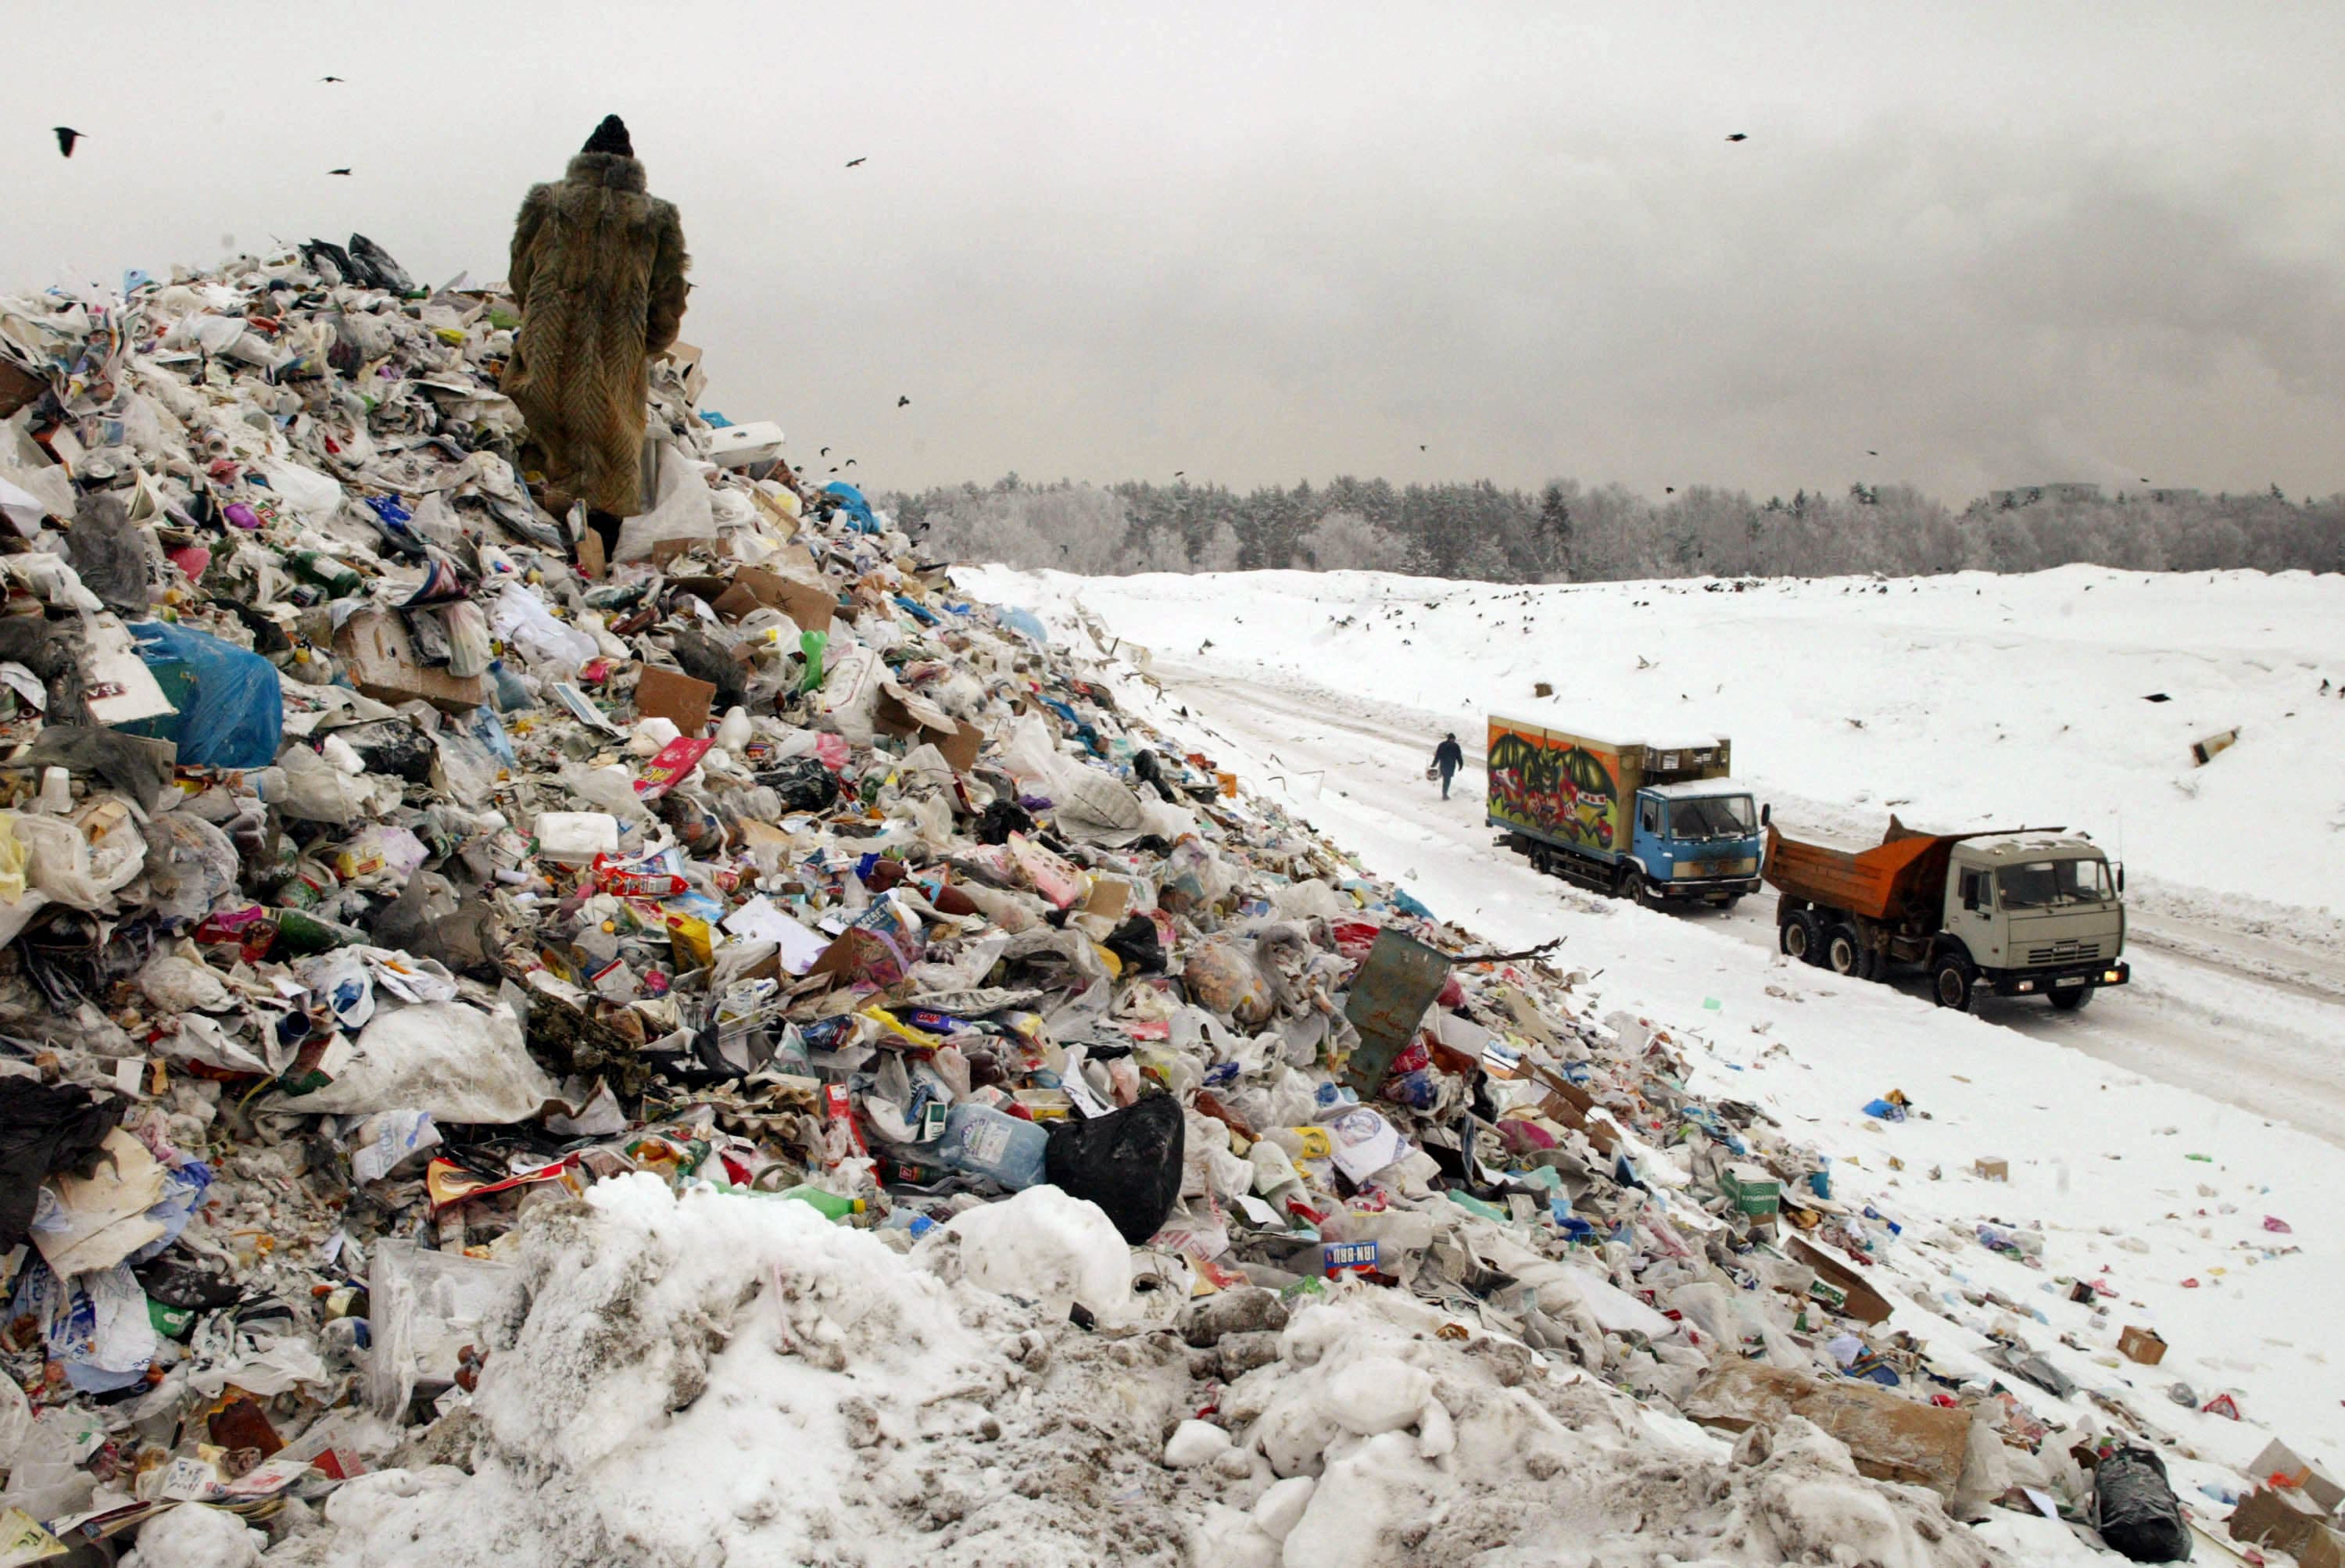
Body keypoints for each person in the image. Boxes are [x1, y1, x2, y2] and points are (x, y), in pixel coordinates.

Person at [505, 114, 690, 565]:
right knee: (608, 476)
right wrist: (635, 345)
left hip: (545, 363)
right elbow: (668, 304)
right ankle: (592, 567)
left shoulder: (547, 204)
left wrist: (543, 319)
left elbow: (520, 277)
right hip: (615, 373)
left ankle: (531, 566)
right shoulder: (656, 220)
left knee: (537, 462)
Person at [1432, 732, 1464, 800]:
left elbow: (1459, 757)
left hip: (1448, 765)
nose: (1453, 740)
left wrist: (1461, 764)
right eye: (1452, 739)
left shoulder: (1453, 746)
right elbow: (1438, 755)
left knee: (1446, 780)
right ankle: (1444, 795)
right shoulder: (1447, 745)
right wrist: (1434, 764)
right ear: (1449, 738)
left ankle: (1444, 794)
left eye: (1454, 739)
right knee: (1447, 780)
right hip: (1447, 765)